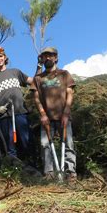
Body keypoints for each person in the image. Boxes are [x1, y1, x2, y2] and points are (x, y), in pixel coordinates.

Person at [31, 47, 77, 181]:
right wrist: (42, 114)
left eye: (51, 55)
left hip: (64, 116)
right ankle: (49, 173)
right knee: (45, 145)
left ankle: (70, 173)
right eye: (45, 56)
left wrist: (66, 113)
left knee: (68, 144)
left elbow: (70, 93)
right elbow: (36, 98)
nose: (48, 58)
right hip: (47, 118)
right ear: (42, 59)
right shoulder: (38, 78)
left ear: (56, 57)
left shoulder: (64, 74)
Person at [0, 46, 33, 161]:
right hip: (4, 117)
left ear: (5, 58)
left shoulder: (15, 72)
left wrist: (39, 67)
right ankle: (14, 172)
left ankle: (32, 171)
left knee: (27, 142)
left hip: (21, 113)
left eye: (1, 56)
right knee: (10, 147)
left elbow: (33, 82)